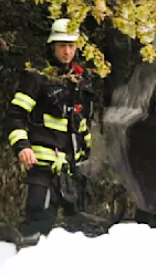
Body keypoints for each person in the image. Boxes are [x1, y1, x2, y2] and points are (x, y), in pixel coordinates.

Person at [5, 18, 93, 238]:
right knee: (37, 228)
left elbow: (81, 124)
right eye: (62, 45)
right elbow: (15, 116)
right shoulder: (37, 78)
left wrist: (86, 158)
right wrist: (23, 147)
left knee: (80, 233)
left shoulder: (78, 81)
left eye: (71, 46)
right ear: (52, 46)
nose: (67, 51)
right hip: (42, 168)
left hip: (71, 171)